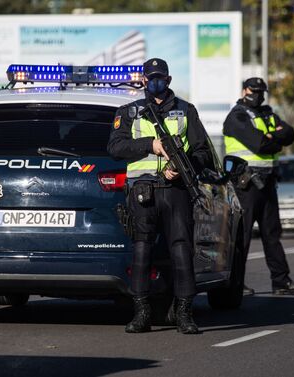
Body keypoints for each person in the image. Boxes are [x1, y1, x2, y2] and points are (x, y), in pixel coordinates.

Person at [107, 58, 212, 334]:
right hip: (143, 191)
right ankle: (141, 314)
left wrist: (183, 166)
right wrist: (151, 145)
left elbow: (203, 153)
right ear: (143, 80)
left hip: (176, 191)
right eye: (151, 77)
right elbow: (116, 147)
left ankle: (185, 313)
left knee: (181, 250)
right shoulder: (128, 112)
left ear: (169, 80)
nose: (155, 82)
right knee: (141, 251)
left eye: (160, 77)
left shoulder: (186, 111)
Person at [223, 77, 294, 296]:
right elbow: (259, 143)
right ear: (244, 91)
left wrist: (272, 137)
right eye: (254, 90)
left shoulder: (267, 113)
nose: (258, 94)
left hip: (268, 182)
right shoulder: (237, 116)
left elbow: (290, 134)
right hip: (246, 185)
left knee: (272, 234)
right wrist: (273, 138)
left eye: (261, 91)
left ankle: (281, 281)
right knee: (242, 236)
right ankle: (235, 283)